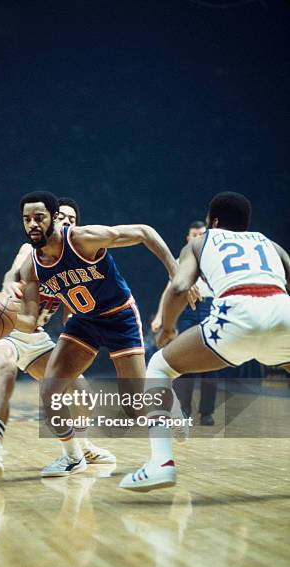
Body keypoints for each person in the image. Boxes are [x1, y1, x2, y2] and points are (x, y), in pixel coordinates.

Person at [120, 191, 290, 492]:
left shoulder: (200, 242)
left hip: (237, 315)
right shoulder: (271, 245)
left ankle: (160, 464)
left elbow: (179, 288)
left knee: (159, 367)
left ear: (213, 221)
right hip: (282, 311)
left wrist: (167, 329)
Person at [16, 190, 179, 477]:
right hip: (84, 323)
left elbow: (144, 231)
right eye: (26, 219)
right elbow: (29, 320)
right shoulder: (31, 265)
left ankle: (166, 422)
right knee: (50, 391)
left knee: (134, 407)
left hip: (119, 318)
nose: (32, 224)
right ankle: (72, 457)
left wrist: (175, 272)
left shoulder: (82, 239)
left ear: (54, 218)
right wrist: (3, 318)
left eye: (39, 217)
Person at [0, 197, 115, 486]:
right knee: (6, 373)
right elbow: (11, 274)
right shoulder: (31, 250)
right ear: (51, 219)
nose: (66, 222)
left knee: (82, 395)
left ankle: (82, 446)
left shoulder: (74, 258)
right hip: (5, 327)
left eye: (72, 219)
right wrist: (6, 287)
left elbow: (73, 309)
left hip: (35, 336)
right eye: (61, 217)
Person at [152, 220, 219, 426]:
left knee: (213, 362)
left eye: (202, 233)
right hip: (188, 309)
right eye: (194, 234)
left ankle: (207, 413)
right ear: (188, 238)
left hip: (211, 307)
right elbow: (170, 289)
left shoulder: (216, 256)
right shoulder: (182, 258)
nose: (198, 236)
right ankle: (184, 410)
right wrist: (159, 316)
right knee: (184, 361)